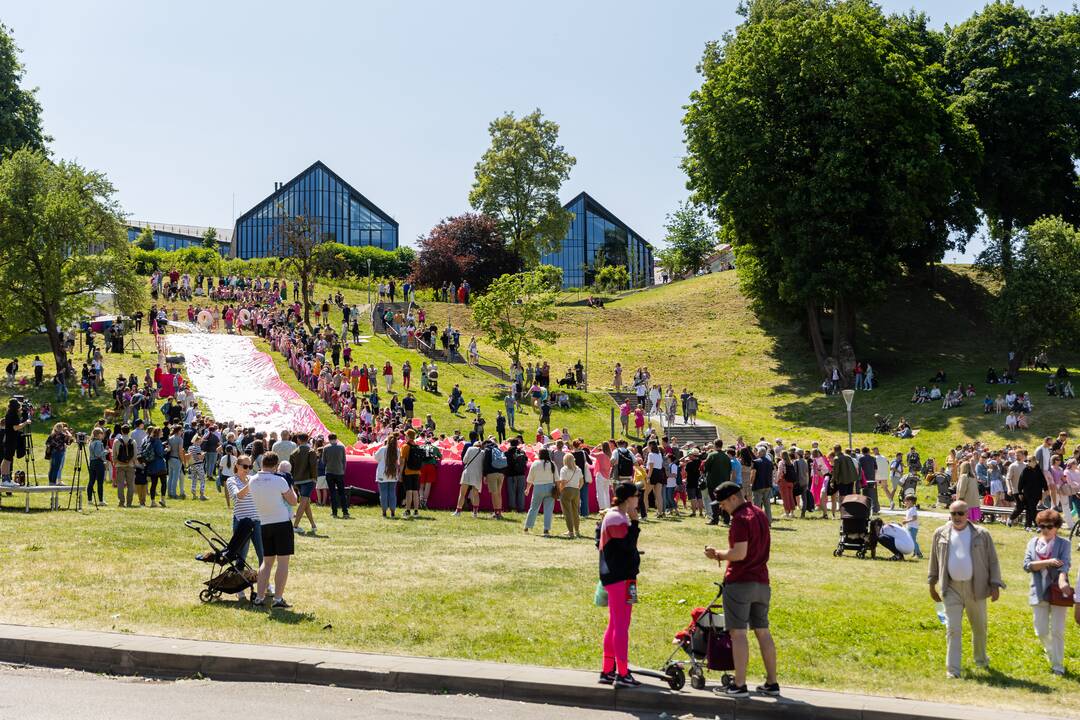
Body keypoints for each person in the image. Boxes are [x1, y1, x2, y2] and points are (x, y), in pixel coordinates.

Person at [704, 482, 779, 698]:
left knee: (738, 634)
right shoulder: (759, 514)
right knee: (762, 631)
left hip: (740, 581)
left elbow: (739, 553)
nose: (722, 507)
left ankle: (739, 684)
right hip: (762, 581)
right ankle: (772, 682)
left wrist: (717, 554)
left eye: (723, 503)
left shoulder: (739, 519)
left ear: (734, 498)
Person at [928, 500, 1005, 678]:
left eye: (961, 513)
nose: (957, 517)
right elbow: (934, 560)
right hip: (951, 589)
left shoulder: (981, 534)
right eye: (954, 514)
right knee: (953, 629)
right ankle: (953, 670)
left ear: (968, 514)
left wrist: (995, 584)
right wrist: (932, 585)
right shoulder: (940, 534)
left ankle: (980, 660)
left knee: (979, 628)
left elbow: (993, 560)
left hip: (976, 588)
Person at [597, 482, 642, 688]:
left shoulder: (617, 516)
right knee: (621, 625)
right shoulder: (617, 517)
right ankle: (621, 673)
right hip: (619, 578)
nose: (639, 499)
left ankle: (608, 670)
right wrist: (635, 523)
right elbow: (627, 546)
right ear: (627, 499)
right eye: (636, 495)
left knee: (616, 623)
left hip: (627, 577)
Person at [1023, 509, 1071, 676]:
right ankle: (1051, 653)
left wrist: (1063, 580)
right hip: (1038, 590)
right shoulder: (1032, 543)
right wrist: (1048, 562)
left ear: (1056, 527)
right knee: (1041, 630)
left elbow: (1064, 565)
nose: (1044, 529)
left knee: (1057, 630)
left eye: (1049, 526)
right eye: (1041, 526)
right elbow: (1027, 565)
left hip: (1058, 591)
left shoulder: (1064, 544)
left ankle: (1058, 666)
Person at [250, 452, 298, 609]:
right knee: (283, 562)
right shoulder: (280, 480)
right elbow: (293, 501)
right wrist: (290, 485)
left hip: (265, 523)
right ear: (276, 466)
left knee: (267, 562)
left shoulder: (253, 480)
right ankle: (278, 599)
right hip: (282, 523)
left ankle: (259, 597)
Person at [226, 454, 263, 601]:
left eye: (250, 467)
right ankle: (239, 587)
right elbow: (238, 496)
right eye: (245, 466)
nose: (248, 469)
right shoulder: (231, 480)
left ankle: (264, 584)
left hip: (257, 521)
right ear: (237, 466)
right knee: (241, 555)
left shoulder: (251, 479)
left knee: (263, 554)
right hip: (242, 523)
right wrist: (251, 484)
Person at [523, 448, 557, 535]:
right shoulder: (552, 464)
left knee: (533, 508)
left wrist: (527, 489)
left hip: (538, 487)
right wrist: (559, 490)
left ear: (540, 455)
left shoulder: (535, 463)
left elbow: (530, 479)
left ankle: (527, 527)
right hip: (550, 487)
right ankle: (546, 529)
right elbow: (557, 479)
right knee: (548, 510)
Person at [289, 433, 318, 534]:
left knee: (306, 503)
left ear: (298, 440)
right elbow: (313, 466)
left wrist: (293, 481)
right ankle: (295, 526)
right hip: (309, 480)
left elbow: (291, 469)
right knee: (304, 502)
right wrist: (315, 478)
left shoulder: (293, 453)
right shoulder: (311, 451)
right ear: (307, 439)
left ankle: (313, 525)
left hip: (297, 480)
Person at [454, 434, 483, 517]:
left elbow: (464, 460)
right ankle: (475, 513)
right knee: (475, 494)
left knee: (462, 493)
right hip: (477, 474)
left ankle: (458, 511)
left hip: (468, 472)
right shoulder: (483, 452)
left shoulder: (470, 448)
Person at [322, 433, 348, 518]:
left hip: (329, 472)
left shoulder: (326, 448)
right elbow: (344, 461)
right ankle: (345, 512)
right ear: (336, 438)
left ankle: (334, 512)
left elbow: (323, 461)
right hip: (339, 472)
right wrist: (343, 470)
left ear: (329, 439)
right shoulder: (341, 447)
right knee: (342, 493)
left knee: (332, 492)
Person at [558, 452, 584, 538]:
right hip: (576, 491)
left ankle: (570, 532)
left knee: (567, 512)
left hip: (567, 490)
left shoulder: (564, 469)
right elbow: (581, 482)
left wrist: (559, 491)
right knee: (575, 512)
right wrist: (577, 488)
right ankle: (577, 531)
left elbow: (563, 482)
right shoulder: (578, 469)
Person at [374, 432, 399, 518]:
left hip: (382, 474)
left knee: (383, 493)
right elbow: (398, 461)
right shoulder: (397, 450)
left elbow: (376, 458)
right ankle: (392, 512)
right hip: (393, 474)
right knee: (392, 493)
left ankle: (384, 512)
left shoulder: (382, 449)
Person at [400, 429, 423, 517]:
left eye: (405, 435)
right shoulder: (417, 446)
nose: (404, 437)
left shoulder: (405, 446)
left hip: (408, 471)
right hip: (417, 472)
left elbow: (402, 461)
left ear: (408, 437)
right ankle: (416, 511)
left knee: (408, 491)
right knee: (415, 491)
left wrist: (400, 473)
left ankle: (408, 510)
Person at [901, 491, 923, 559]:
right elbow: (911, 517)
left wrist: (906, 521)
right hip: (910, 527)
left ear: (910, 502)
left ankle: (918, 553)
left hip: (913, 528)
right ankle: (915, 553)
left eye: (906, 501)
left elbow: (914, 518)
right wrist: (906, 519)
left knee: (913, 541)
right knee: (912, 540)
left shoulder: (913, 509)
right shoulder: (909, 509)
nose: (905, 502)